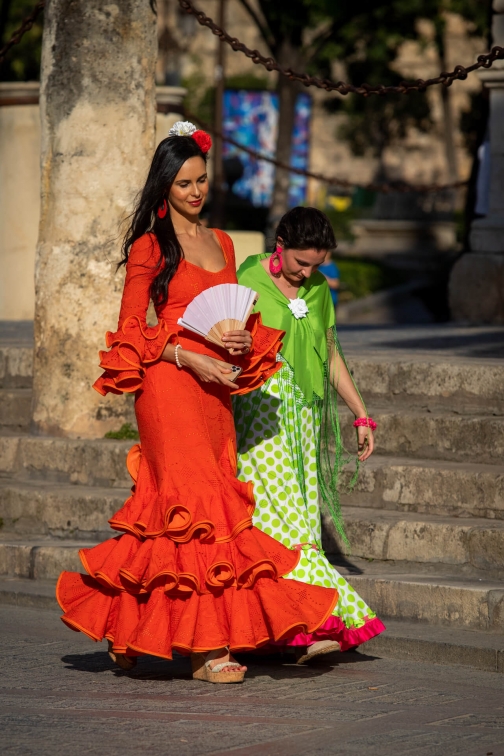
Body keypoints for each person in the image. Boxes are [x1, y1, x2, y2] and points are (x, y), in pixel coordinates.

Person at [56, 124, 340, 684]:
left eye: (201, 180)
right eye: (183, 182)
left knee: (191, 517)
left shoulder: (226, 243)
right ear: (164, 187)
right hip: (169, 387)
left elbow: (227, 312)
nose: (195, 191)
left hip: (216, 391)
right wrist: (188, 358)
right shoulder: (148, 245)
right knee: (195, 509)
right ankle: (205, 651)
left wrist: (237, 339)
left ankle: (130, 626)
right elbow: (130, 332)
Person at [234, 207, 385, 663]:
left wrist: (360, 414)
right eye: (301, 262)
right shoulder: (248, 278)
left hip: (304, 418)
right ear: (279, 243)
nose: (308, 272)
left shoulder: (318, 290)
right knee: (281, 521)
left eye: (317, 265)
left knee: (292, 519)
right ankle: (315, 621)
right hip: (260, 415)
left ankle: (286, 626)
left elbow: (331, 355)